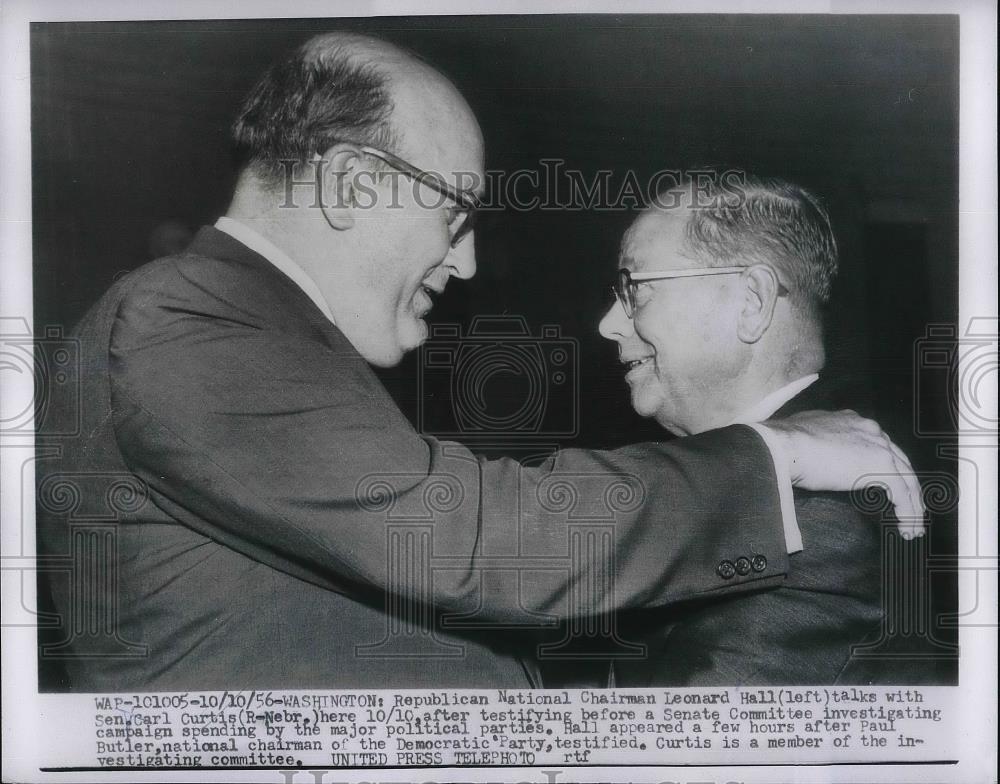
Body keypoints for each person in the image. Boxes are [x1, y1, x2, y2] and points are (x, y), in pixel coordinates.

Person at [36, 33, 922, 692]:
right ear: (351, 186)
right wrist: (778, 455)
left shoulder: (254, 338)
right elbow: (484, 542)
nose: (463, 264)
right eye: (456, 214)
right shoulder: (188, 320)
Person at [599, 174, 907, 685]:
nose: (609, 322)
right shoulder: (760, 487)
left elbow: (684, 752)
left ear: (752, 302)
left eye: (636, 289)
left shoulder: (823, 522)